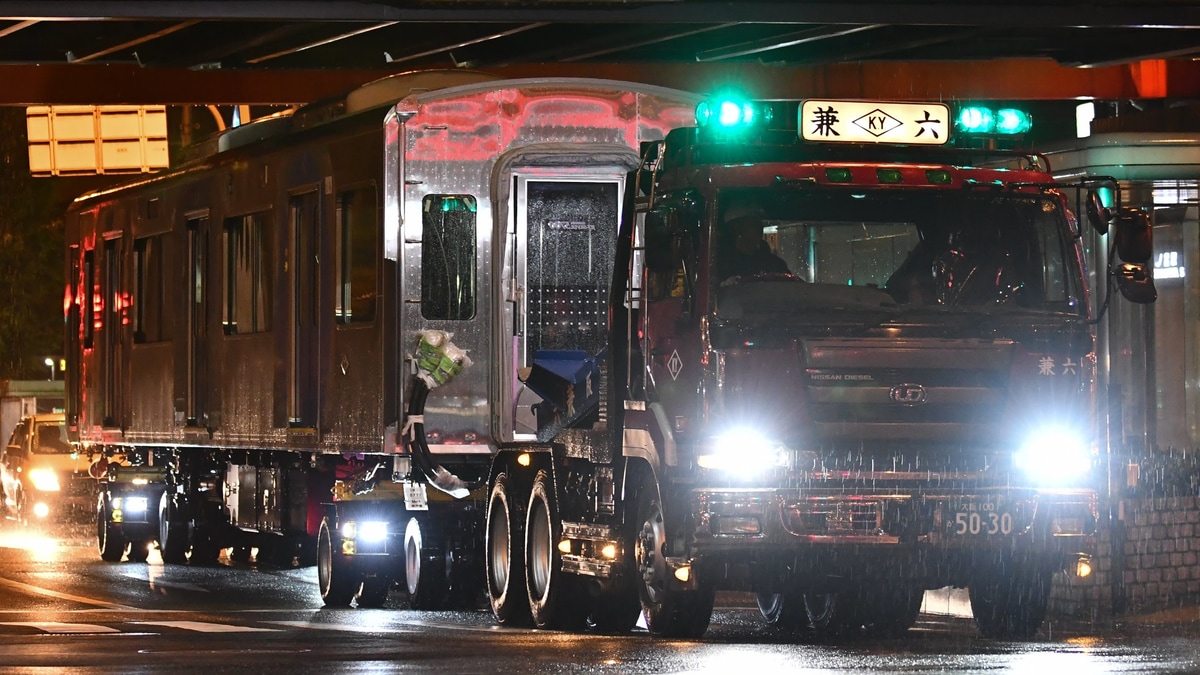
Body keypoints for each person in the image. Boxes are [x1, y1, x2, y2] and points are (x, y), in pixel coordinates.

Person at [723, 203, 789, 281]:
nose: (759, 227)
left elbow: (790, 285)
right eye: (752, 223)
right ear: (736, 227)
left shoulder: (774, 263)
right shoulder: (720, 262)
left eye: (759, 222)